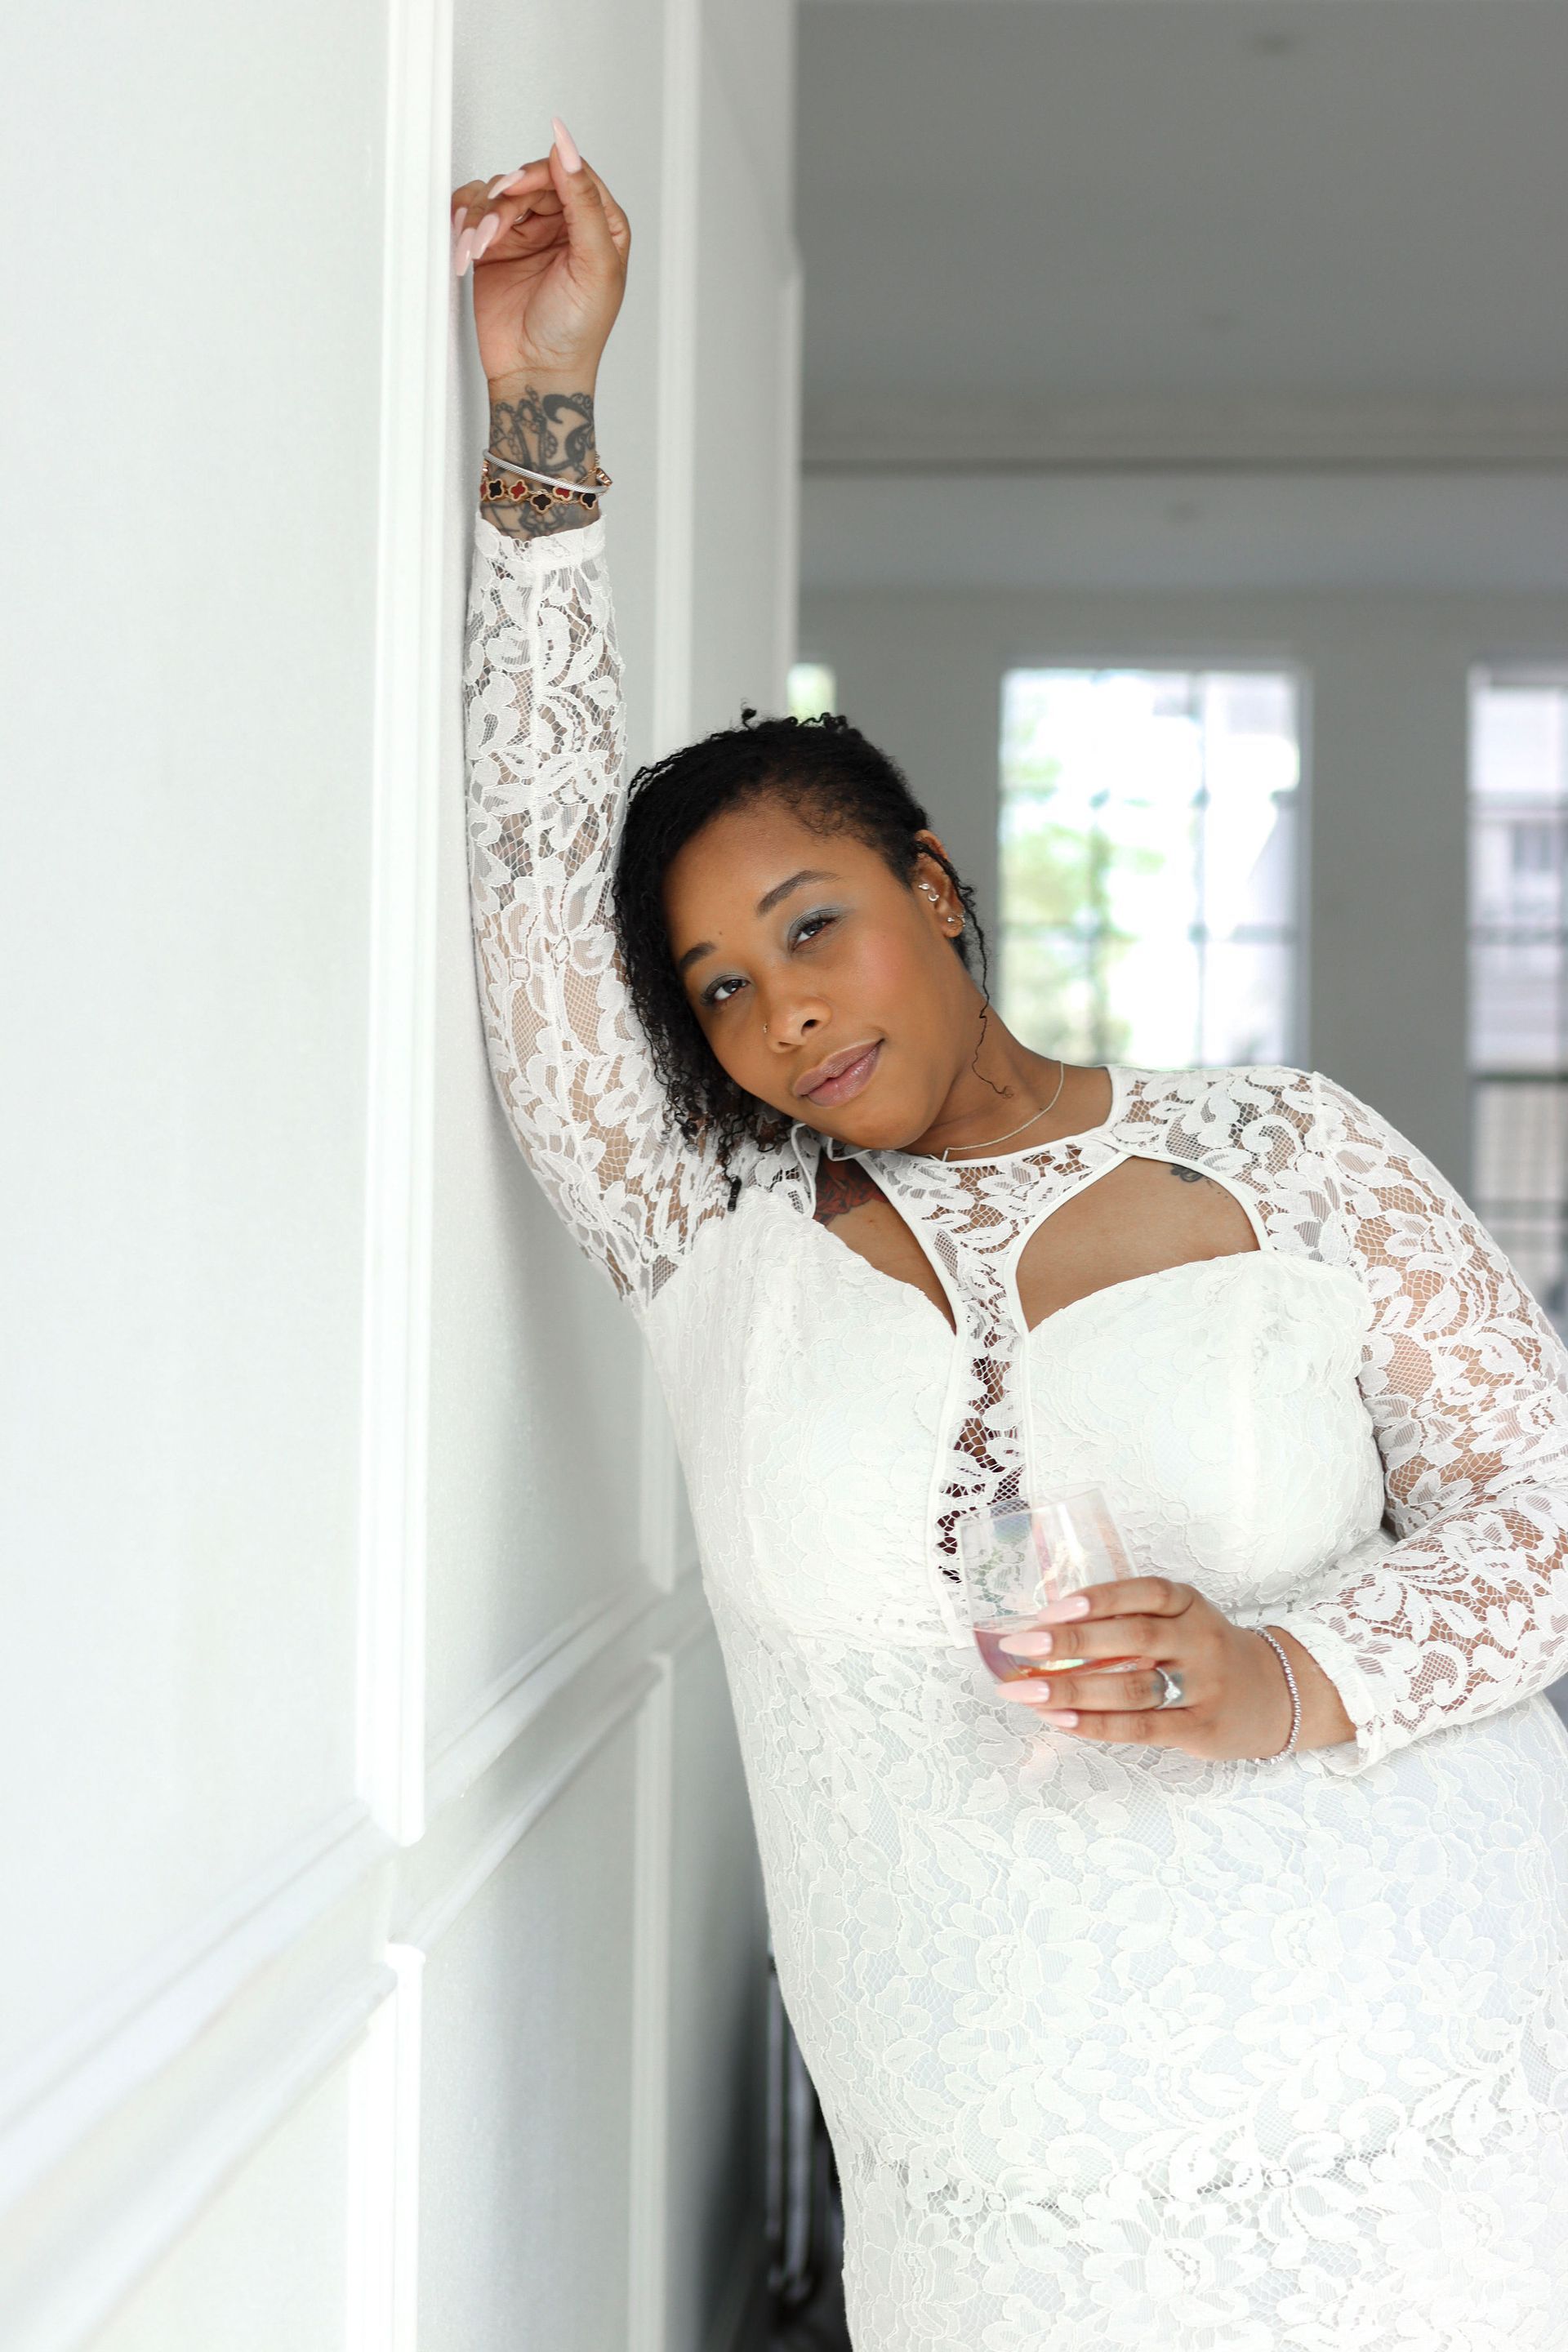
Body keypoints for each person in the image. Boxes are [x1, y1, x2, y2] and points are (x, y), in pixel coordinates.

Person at [453, 127, 1568, 2351]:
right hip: (1000, 2194)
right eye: (719, 988)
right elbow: (531, 899)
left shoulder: (1289, 1152)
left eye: (813, 926)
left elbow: (1540, 1520)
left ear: (935, 889)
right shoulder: (714, 1243)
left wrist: (1282, 1675)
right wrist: (541, 414)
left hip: (1435, 2097)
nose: (781, 1012)